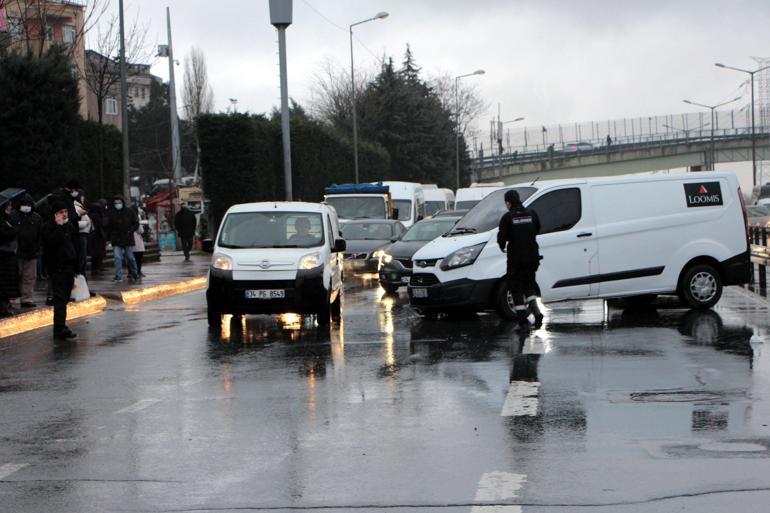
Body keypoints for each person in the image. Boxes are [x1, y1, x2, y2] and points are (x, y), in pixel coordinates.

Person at [497, 189, 543, 329]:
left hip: (516, 259)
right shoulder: (532, 213)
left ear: (508, 202)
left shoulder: (507, 218)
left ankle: (523, 322)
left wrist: (502, 246)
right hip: (532, 256)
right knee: (529, 284)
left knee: (515, 288)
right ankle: (536, 311)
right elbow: (537, 229)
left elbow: (502, 238)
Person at [42, 201, 79, 340]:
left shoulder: (68, 226)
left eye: (65, 212)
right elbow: (51, 243)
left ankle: (61, 325)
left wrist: (77, 267)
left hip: (69, 267)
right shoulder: (48, 227)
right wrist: (58, 227)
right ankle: (59, 329)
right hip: (56, 268)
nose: (64, 215)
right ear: (55, 214)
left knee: (64, 299)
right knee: (60, 299)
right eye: (61, 212)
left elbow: (74, 245)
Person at [13, 195, 42, 308]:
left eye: (28, 205)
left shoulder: (36, 217)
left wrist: (38, 247)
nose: (26, 207)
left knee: (29, 277)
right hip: (17, 252)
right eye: (24, 205)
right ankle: (13, 298)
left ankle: (27, 298)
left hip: (32, 252)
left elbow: (40, 234)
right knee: (16, 275)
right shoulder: (14, 216)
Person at [105, 195, 139, 282]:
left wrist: (130, 231)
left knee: (130, 257)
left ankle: (134, 272)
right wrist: (109, 235)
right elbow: (108, 225)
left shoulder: (129, 212)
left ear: (122, 203)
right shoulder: (111, 213)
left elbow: (136, 223)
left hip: (127, 237)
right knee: (117, 258)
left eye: (119, 203)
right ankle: (118, 276)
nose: (117, 204)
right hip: (116, 238)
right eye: (116, 203)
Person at [0, 201, 20, 317]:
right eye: (8, 206)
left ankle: (5, 305)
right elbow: (3, 234)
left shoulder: (7, 219)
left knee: (7, 284)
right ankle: (2, 307)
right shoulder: (2, 221)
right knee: (4, 284)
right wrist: (15, 230)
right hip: (4, 256)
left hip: (9, 255)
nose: (10, 208)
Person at [74, 191, 92, 277]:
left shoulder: (80, 206)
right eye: (81, 197)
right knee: (81, 258)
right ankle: (81, 277)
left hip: (83, 235)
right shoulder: (76, 207)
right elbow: (74, 222)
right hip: (81, 234)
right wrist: (86, 223)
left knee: (83, 259)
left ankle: (83, 278)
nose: (83, 199)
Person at [88, 199, 107, 275]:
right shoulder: (96, 216)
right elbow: (99, 226)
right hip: (97, 237)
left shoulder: (91, 214)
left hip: (94, 236)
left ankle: (96, 268)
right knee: (98, 254)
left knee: (96, 254)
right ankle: (96, 269)